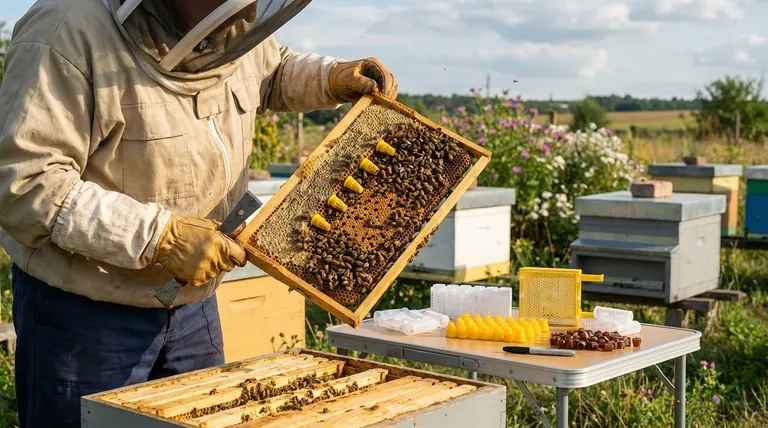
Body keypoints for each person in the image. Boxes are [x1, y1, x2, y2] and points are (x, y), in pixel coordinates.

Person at [0, 0, 398, 426]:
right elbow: (26, 183)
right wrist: (161, 238)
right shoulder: (64, 31)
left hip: (193, 304)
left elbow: (272, 69)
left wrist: (331, 77)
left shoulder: (227, 28)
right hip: (86, 314)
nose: (248, 18)